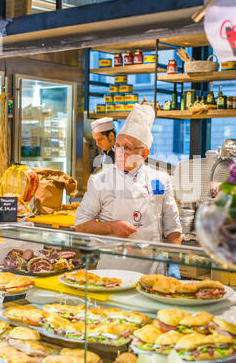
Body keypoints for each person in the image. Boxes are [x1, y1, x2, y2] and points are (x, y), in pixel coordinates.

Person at [75, 104, 182, 275]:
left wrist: (175, 264)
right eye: (118, 145)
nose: (119, 151)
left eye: (127, 147)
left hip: (152, 273)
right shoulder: (99, 180)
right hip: (111, 272)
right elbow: (80, 225)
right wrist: (112, 227)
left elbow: (173, 228)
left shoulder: (161, 180)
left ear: (144, 153)